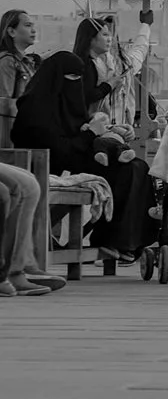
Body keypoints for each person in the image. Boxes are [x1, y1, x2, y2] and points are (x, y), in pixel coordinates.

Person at [11, 18, 150, 261]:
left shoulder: (65, 102)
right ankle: (111, 240)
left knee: (139, 167)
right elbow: (60, 148)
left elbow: (79, 127)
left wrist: (110, 130)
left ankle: (127, 241)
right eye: (72, 77)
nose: (75, 84)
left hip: (75, 157)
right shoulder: (36, 109)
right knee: (126, 172)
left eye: (79, 78)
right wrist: (92, 133)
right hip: (51, 164)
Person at [0, 11, 63, 297]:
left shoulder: (28, 62)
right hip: (10, 139)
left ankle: (25, 264)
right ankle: (19, 268)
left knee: (29, 183)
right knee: (23, 186)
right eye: (27, 25)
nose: (33, 30)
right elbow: (4, 103)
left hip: (24, 137)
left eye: (34, 25)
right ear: (11, 31)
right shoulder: (7, 62)